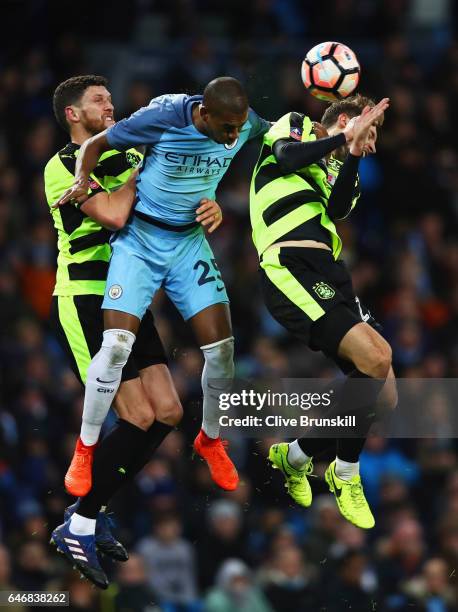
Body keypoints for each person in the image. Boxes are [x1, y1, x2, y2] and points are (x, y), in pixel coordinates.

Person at [54, 77, 270, 494]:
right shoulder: (161, 117)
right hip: (139, 242)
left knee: (222, 351)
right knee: (115, 346)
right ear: (204, 114)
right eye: (226, 127)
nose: (232, 137)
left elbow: (279, 131)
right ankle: (85, 447)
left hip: (189, 244)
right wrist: (82, 180)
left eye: (238, 127)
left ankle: (210, 439)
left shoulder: (244, 124)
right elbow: (95, 148)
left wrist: (332, 133)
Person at [44, 75, 217, 588]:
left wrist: (210, 206)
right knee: (138, 414)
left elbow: (179, 202)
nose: (110, 105)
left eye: (110, 97)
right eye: (98, 100)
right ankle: (80, 521)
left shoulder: (130, 156)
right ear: (74, 115)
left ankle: (86, 516)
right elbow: (117, 215)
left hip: (131, 297)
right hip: (86, 297)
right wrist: (150, 176)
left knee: (169, 410)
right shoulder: (62, 167)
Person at [249, 94, 397, 529]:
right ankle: (344, 471)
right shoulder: (294, 122)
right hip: (289, 263)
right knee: (375, 360)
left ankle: (296, 454)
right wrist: (341, 139)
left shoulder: (342, 167)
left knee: (384, 395)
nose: (371, 146)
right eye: (369, 135)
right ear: (347, 121)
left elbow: (337, 209)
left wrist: (349, 151)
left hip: (332, 273)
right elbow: (287, 157)